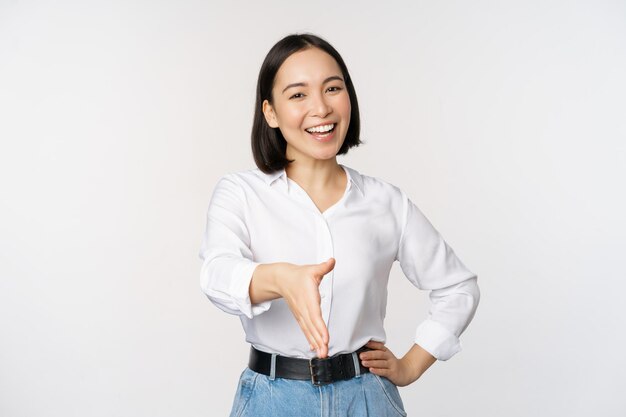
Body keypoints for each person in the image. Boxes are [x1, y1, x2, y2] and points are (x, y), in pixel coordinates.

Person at [199, 33, 480, 417]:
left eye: (333, 88)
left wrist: (412, 364)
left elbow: (457, 287)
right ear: (271, 113)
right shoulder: (241, 193)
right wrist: (282, 278)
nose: (321, 107)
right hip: (271, 400)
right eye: (298, 94)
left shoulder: (386, 202)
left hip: (367, 398)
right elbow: (216, 273)